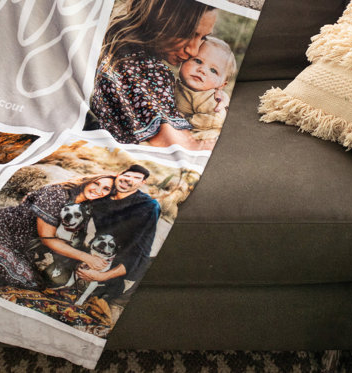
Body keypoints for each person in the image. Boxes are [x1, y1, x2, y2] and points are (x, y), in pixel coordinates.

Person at [88, 0, 226, 150]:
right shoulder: (145, 69)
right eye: (188, 34)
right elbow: (178, 143)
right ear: (161, 19)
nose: (193, 51)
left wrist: (210, 96)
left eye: (203, 38)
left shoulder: (118, 47)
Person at [0, 175, 116, 289]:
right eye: (96, 183)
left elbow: (72, 238)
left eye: (106, 189)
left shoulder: (86, 207)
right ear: (87, 181)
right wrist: (86, 258)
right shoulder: (56, 193)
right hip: (2, 229)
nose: (99, 191)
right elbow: (47, 238)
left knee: (35, 282)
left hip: (22, 244)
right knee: (17, 276)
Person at [77, 164, 161, 302]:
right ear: (118, 175)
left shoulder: (148, 206)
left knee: (102, 298)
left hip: (126, 262)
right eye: (126, 175)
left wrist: (102, 276)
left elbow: (139, 250)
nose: (129, 180)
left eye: (136, 178)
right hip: (98, 251)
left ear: (142, 182)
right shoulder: (103, 195)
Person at [175, 37, 237, 141]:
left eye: (213, 70)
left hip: (200, 136)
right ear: (183, 61)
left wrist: (185, 121)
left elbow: (216, 119)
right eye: (198, 61)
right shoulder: (175, 84)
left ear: (222, 84)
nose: (202, 70)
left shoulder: (209, 98)